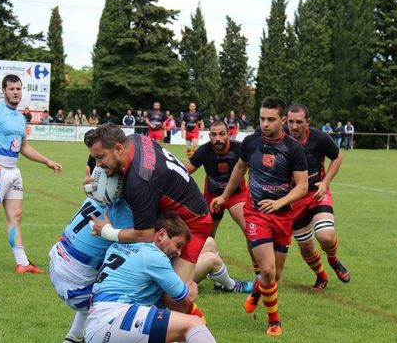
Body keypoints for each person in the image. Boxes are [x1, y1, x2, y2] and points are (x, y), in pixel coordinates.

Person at [85, 124, 211, 319]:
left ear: (119, 148)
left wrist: (106, 231)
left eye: (100, 157)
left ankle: (200, 326)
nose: (98, 164)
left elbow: (144, 235)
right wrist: (94, 186)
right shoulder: (134, 140)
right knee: (147, 278)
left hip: (193, 224)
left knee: (172, 298)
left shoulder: (141, 181)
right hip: (170, 215)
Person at [211, 97, 308, 336]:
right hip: (255, 213)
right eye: (262, 118)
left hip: (283, 216)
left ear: (283, 120)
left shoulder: (294, 149)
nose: (265, 123)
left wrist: (278, 203)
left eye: (271, 119)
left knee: (274, 275)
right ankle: (274, 321)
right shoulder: (251, 142)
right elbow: (240, 169)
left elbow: (302, 186)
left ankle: (257, 292)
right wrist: (224, 196)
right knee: (266, 270)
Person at [0, 74, 62, 273]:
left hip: (13, 171)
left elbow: (23, 146)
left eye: (18, 89)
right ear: (4, 91)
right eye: (12, 89)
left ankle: (22, 263)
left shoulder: (19, 117)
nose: (16, 92)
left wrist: (47, 161)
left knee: (16, 216)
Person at [86, 212, 217, 343]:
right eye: (178, 245)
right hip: (115, 316)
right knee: (194, 324)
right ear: (161, 235)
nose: (179, 253)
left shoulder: (119, 244)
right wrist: (192, 288)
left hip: (98, 321)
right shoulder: (154, 255)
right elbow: (183, 298)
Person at [49, 191, 134, 342]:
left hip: (56, 264)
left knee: (104, 276)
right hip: (78, 290)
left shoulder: (97, 193)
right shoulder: (126, 213)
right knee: (143, 286)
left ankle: (74, 336)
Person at [286, 105, 350, 290]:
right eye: (291, 122)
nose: (294, 126)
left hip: (316, 194)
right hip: (293, 200)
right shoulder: (279, 139)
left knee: (326, 236)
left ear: (308, 122)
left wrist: (325, 183)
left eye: (299, 122)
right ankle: (321, 276)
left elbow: (337, 157)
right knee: (306, 247)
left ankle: (334, 260)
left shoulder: (320, 138)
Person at [186, 121, 259, 279]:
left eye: (221, 134)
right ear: (209, 135)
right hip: (212, 197)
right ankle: (211, 268)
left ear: (229, 134)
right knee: (206, 237)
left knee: (250, 231)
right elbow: (184, 172)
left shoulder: (239, 149)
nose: (217, 138)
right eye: (213, 134)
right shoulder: (204, 151)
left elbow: (257, 168)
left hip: (236, 195)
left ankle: (259, 274)